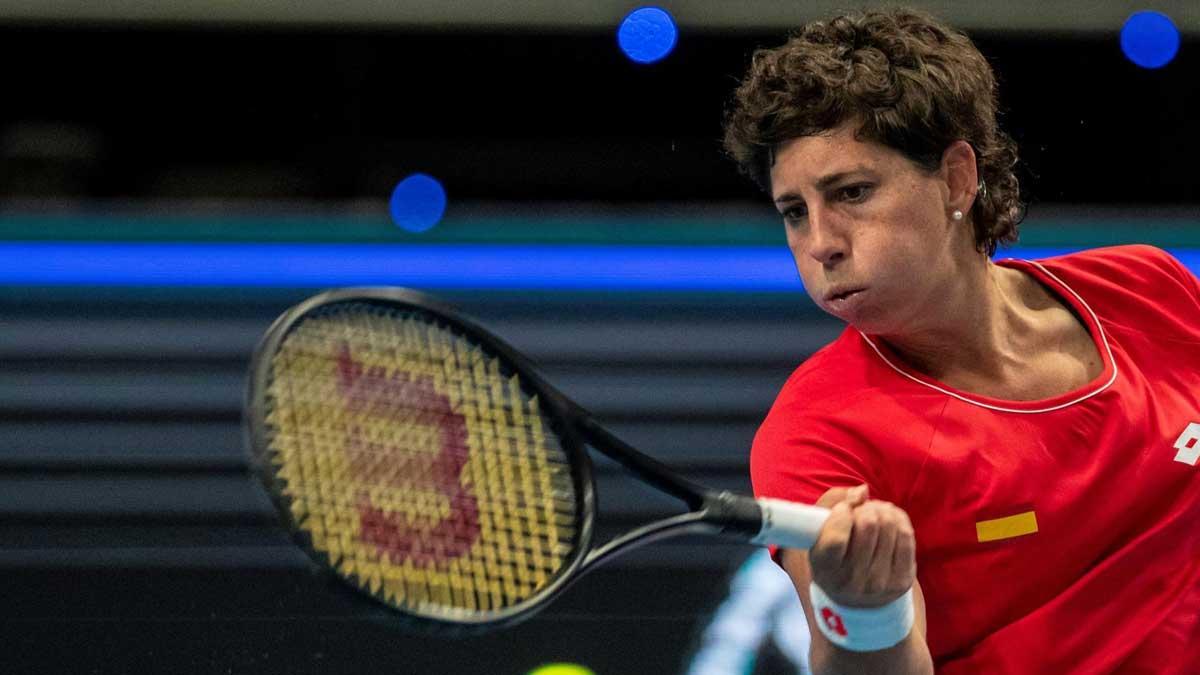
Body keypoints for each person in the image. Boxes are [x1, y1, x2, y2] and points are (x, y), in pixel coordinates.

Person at [722, 8, 1200, 674]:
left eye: (852, 192)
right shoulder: (816, 432)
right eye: (794, 213)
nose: (821, 242)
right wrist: (865, 610)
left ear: (955, 178)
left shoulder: (1149, 286)